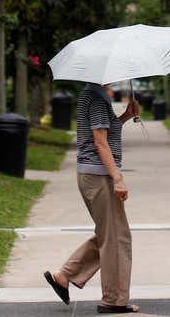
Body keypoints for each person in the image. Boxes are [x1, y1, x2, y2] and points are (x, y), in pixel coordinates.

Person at [44, 82, 139, 314]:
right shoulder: (96, 98)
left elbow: (106, 131)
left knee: (110, 234)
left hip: (94, 174)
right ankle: (114, 300)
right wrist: (117, 178)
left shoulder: (95, 95)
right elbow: (100, 142)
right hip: (100, 176)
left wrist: (126, 115)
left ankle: (64, 276)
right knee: (117, 239)